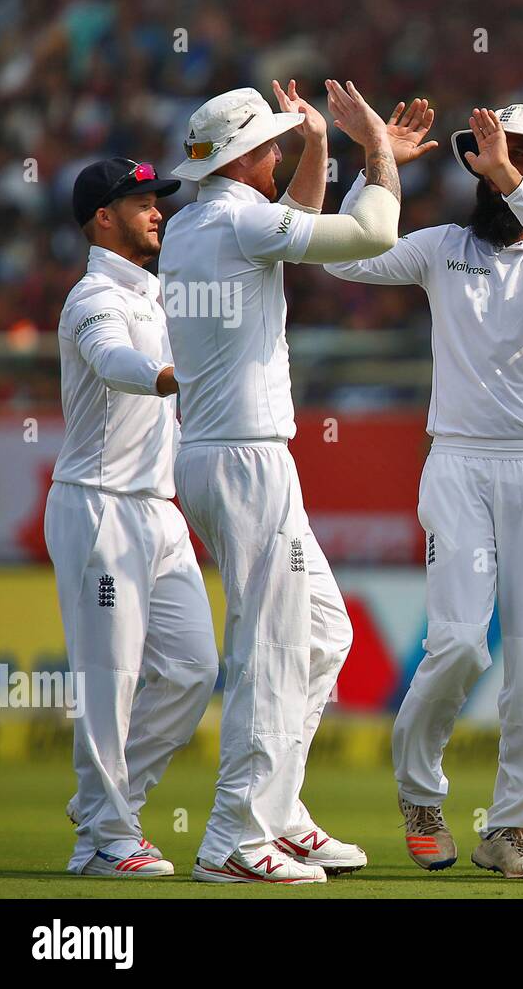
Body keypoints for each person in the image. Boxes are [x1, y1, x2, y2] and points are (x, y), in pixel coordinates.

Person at [325, 101, 523, 880]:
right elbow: (344, 258)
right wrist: (379, 166)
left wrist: (512, 177)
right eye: (480, 151)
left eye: (507, 155)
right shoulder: (443, 247)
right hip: (459, 463)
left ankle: (509, 831)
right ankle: (420, 796)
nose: (483, 165)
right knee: (457, 643)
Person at [159, 80, 404, 884]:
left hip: (225, 454)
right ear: (249, 158)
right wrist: (374, 151)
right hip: (246, 459)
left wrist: (319, 148)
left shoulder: (200, 223)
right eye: (273, 146)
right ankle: (234, 835)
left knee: (324, 634)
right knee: (268, 649)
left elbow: (289, 228)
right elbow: (370, 233)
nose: (280, 156)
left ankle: (280, 813)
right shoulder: (238, 222)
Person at [47, 157, 219, 878]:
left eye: (157, 198)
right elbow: (112, 359)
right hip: (98, 506)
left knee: (192, 669)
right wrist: (170, 377)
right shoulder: (91, 297)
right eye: (139, 200)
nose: (156, 210)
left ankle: (105, 808)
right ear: (101, 218)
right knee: (109, 676)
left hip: (158, 508)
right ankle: (106, 841)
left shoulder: (159, 296)